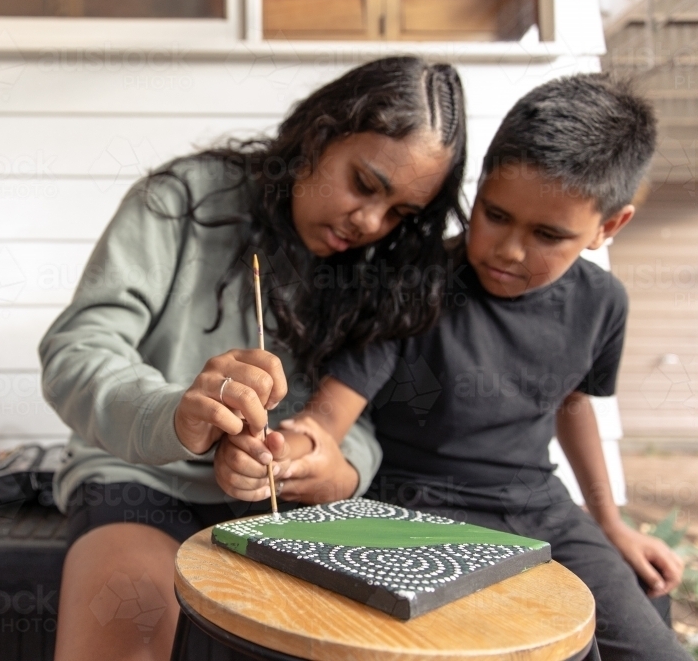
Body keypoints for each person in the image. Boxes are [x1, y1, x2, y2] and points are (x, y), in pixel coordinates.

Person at [216, 73, 688, 660]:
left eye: (546, 234)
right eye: (494, 214)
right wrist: (300, 445)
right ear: (480, 183)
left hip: (538, 508)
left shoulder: (602, 303)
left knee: (651, 652)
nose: (508, 249)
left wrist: (610, 522)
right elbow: (332, 412)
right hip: (413, 511)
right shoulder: (414, 284)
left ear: (607, 228)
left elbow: (572, 402)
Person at [39, 56, 467, 660]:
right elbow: (77, 351)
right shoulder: (182, 201)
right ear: (319, 135)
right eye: (365, 184)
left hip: (285, 506)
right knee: (127, 638)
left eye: (399, 213)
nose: (371, 221)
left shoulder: (380, 266)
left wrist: (333, 467)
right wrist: (174, 416)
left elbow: (358, 417)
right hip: (139, 482)